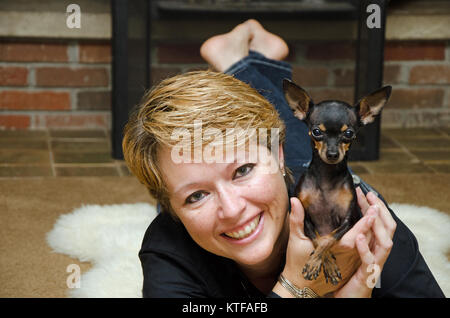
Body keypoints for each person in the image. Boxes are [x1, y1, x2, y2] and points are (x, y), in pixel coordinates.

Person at [122, 20, 444, 298]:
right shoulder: (168, 248)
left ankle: (234, 60)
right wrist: (296, 287)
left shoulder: (359, 219)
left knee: (292, 127)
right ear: (171, 209)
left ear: (278, 155)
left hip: (300, 168)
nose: (233, 210)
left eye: (242, 171)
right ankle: (240, 60)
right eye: (196, 195)